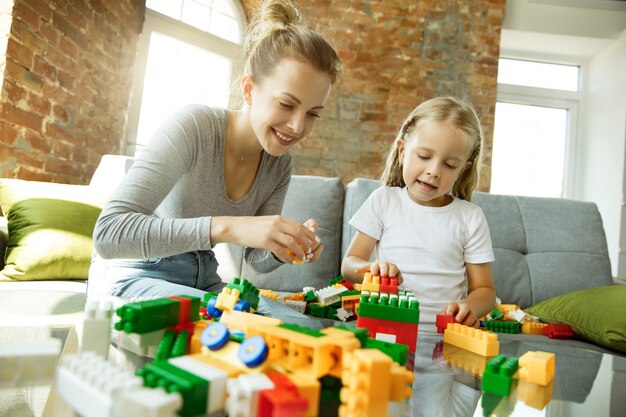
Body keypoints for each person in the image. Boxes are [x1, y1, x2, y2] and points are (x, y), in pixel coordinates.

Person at [88, 0, 342, 303]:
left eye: (313, 113)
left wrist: (285, 247)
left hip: (204, 279)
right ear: (249, 89)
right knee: (225, 329)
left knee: (288, 330)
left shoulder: (279, 164)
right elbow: (108, 234)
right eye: (286, 104)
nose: (298, 126)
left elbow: (255, 259)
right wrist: (227, 226)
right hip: (137, 273)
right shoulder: (194, 127)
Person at [341, 97, 496, 330]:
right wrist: (373, 269)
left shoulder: (470, 217)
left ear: (463, 170)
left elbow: (485, 291)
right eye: (424, 156)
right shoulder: (384, 200)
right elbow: (349, 265)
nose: (433, 171)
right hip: (386, 326)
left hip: (443, 334)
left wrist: (469, 307)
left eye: (450, 165)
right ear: (402, 151)